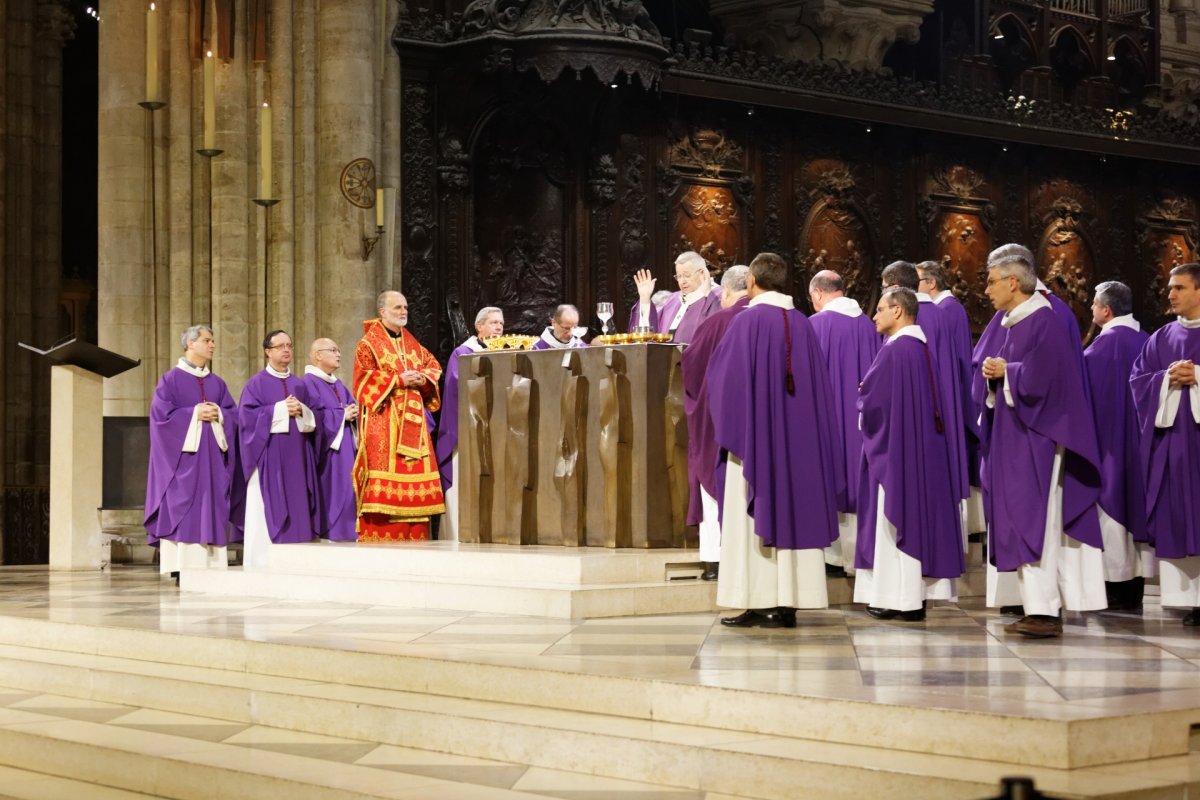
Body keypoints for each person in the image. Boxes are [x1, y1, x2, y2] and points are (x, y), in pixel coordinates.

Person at [706, 252, 846, 627]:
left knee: (751, 511)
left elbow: (722, 385)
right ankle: (788, 603)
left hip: (754, 448)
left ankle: (758, 599)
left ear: (752, 282)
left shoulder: (745, 323)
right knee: (795, 508)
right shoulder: (804, 324)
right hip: (799, 450)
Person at [978, 243, 1106, 637]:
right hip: (1016, 436)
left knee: (1039, 521)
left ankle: (1046, 611)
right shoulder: (1015, 322)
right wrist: (995, 374)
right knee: (1020, 518)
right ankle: (1037, 606)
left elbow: (1052, 380)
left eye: (992, 282)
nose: (986, 290)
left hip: (1039, 437)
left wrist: (1008, 372)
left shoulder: (1044, 321)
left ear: (1013, 282)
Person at [854, 288, 964, 620]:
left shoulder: (896, 351)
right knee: (917, 517)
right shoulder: (920, 349)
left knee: (894, 515)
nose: (874, 316)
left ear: (899, 311)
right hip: (919, 451)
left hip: (897, 453)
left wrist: (862, 394)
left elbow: (871, 403)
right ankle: (912, 597)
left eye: (880, 309)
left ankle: (899, 600)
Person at [1129, 263, 1200, 626]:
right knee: (1177, 516)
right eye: (1170, 288)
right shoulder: (1160, 338)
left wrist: (1199, 376)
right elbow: (1138, 382)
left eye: (1179, 288)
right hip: (1173, 446)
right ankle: (1190, 601)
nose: (1170, 294)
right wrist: (1166, 379)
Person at [883, 261, 970, 547]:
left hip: (910, 417)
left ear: (895, 289)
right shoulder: (942, 315)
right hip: (941, 409)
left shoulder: (908, 319)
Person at [144, 325, 238, 577]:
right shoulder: (170, 379)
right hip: (183, 462)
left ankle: (212, 565)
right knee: (183, 506)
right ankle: (180, 566)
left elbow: (234, 414)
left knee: (213, 503)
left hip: (213, 462)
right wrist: (195, 413)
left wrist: (219, 413)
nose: (213, 345)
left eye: (213, 341)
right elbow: (160, 418)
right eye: (207, 340)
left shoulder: (217, 383)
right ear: (191, 344)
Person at [353, 291, 445, 542]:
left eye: (405, 307)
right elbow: (362, 381)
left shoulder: (413, 343)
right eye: (397, 308)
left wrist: (422, 378)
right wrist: (397, 380)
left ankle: (416, 535)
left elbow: (433, 366)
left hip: (414, 423)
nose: (403, 312)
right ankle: (382, 535)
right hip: (385, 422)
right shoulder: (368, 344)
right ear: (382, 312)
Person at [1083, 282, 1152, 611]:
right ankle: (1136, 586)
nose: (1092, 311)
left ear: (1106, 310)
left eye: (1094, 305)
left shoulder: (1096, 351)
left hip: (1107, 446)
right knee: (1135, 506)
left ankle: (1115, 587)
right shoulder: (1149, 342)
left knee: (1110, 513)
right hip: (1142, 447)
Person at [807, 269, 879, 576]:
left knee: (831, 475)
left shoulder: (815, 326)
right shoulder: (870, 325)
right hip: (866, 421)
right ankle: (860, 556)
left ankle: (834, 558)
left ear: (820, 294)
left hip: (829, 421)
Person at [681, 265, 750, 582]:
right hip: (759, 425)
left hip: (719, 423)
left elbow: (692, 368)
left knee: (715, 480)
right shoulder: (779, 319)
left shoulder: (717, 321)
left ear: (725, 292)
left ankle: (716, 559)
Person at [238, 329, 320, 569]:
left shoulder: (299, 385)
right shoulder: (256, 384)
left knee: (298, 502)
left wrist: (302, 411)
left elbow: (314, 417)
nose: (286, 350)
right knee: (267, 507)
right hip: (269, 456)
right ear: (267, 352)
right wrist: (281, 409)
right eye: (280, 346)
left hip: (298, 456)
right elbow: (246, 420)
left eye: (290, 345)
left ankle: (298, 561)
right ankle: (263, 561)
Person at [918, 260, 985, 541]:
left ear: (931, 283)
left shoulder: (946, 311)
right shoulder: (945, 310)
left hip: (951, 395)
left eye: (917, 280)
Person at [435, 306, 503, 541]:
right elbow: (457, 386)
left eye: (501, 324)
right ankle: (457, 533)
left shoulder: (506, 351)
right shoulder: (464, 352)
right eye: (493, 323)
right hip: (466, 429)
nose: (499, 328)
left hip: (495, 428)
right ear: (479, 326)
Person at [302, 338, 360, 542]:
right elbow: (313, 416)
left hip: (346, 446)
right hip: (328, 452)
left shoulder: (338, 383)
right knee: (335, 491)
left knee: (350, 488)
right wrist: (342, 415)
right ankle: (332, 532)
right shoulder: (307, 383)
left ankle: (350, 531)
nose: (339, 354)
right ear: (318, 355)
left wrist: (354, 412)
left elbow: (350, 405)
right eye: (333, 350)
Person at [628, 251, 722, 343]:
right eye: (679, 276)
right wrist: (645, 300)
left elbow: (717, 329)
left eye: (686, 275)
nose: (682, 281)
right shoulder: (673, 299)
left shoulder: (718, 296)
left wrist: (706, 294)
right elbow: (653, 329)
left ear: (702, 273)